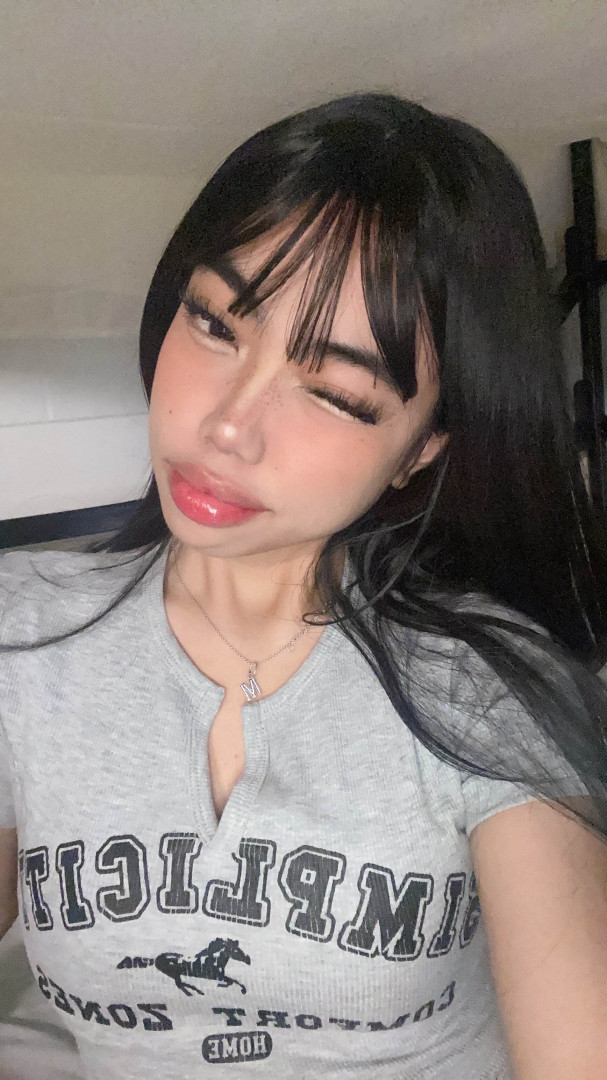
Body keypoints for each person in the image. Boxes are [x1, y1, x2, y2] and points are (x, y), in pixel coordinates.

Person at [1, 92, 607, 1080]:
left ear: (424, 446)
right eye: (213, 323)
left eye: (333, 392)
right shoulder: (23, 642)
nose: (227, 426)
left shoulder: (485, 689)